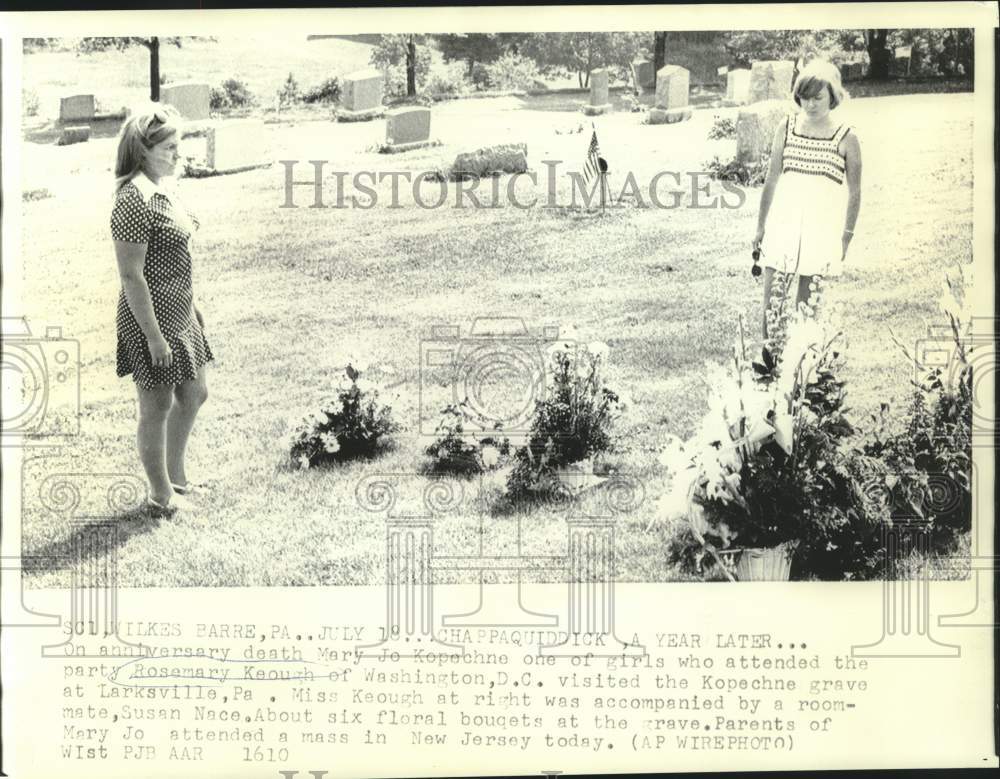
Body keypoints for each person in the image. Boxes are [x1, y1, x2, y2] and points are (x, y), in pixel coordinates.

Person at [110, 105, 213, 514]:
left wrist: (191, 307)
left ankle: (177, 478)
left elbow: (177, 253)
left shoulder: (162, 189)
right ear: (143, 151)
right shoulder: (132, 199)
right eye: (169, 147)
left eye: (179, 145)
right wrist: (153, 336)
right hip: (150, 319)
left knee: (195, 392)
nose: (178, 154)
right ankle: (160, 495)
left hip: (181, 312)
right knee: (156, 407)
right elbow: (132, 277)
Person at [753, 59, 862, 336]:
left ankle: (800, 364)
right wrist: (761, 226)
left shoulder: (847, 138)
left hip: (820, 226)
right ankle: (769, 362)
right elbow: (772, 179)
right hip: (784, 221)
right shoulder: (786, 127)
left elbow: (855, 191)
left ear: (833, 97)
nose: (810, 105)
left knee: (807, 303)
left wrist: (846, 235)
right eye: (804, 98)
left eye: (818, 98)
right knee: (772, 300)